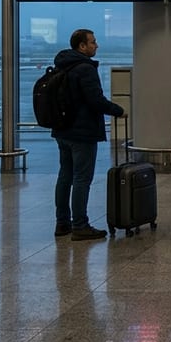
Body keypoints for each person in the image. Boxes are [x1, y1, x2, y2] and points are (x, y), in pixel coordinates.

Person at [51, 29, 124, 241]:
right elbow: (95, 100)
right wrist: (118, 110)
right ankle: (80, 225)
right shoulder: (85, 68)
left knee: (65, 176)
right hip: (82, 132)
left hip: (62, 130)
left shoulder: (62, 65)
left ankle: (62, 222)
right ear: (82, 46)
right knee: (82, 178)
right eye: (93, 42)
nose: (96, 45)